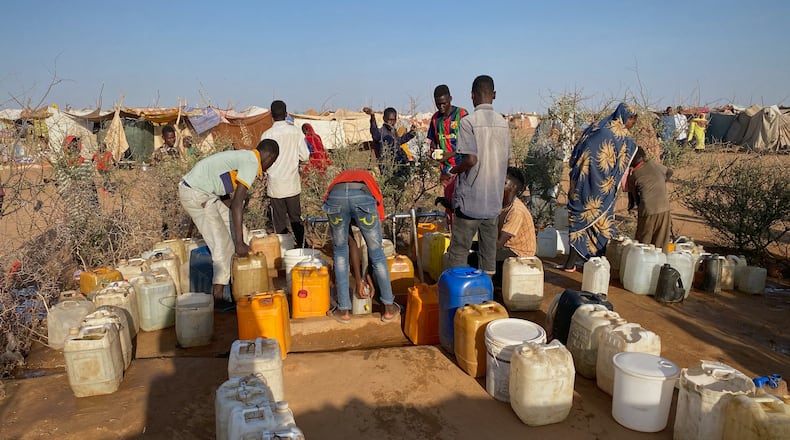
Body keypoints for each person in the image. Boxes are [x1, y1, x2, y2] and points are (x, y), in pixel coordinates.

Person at [179, 139, 279, 303]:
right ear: (270, 157)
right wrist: (239, 243)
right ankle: (218, 298)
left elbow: (222, 181)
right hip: (197, 194)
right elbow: (238, 203)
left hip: (208, 194)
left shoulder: (245, 157)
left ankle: (237, 284)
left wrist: (239, 234)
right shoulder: (252, 162)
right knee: (222, 247)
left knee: (241, 232)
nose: (270, 166)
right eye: (272, 162)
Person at [560, 103, 638, 272]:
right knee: (602, 225)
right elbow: (626, 159)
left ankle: (571, 263)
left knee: (579, 222)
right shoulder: (621, 135)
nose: (632, 125)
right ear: (626, 117)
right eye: (632, 120)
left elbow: (576, 153)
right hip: (601, 189)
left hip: (579, 183)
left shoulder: (596, 126)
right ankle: (598, 264)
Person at [445, 75, 511, 276]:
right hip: (492, 203)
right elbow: (506, 162)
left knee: (459, 252)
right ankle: (486, 300)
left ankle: (458, 301)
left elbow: (471, 160)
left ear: (472, 96)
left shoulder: (468, 122)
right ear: (494, 95)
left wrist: (453, 171)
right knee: (487, 258)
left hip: (470, 203)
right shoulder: (503, 123)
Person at [322, 169, 400, 323]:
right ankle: (389, 308)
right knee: (377, 253)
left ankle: (343, 310)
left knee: (340, 252)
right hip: (361, 197)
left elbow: (350, 243)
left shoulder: (339, 181)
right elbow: (377, 219)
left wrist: (364, 277)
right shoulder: (369, 182)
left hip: (335, 198)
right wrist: (360, 279)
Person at [261, 100, 310, 247]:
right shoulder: (295, 131)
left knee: (279, 222)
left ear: (271, 115)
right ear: (286, 113)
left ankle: (284, 252)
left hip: (275, 186)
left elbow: (262, 161)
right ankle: (303, 248)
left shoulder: (267, 135)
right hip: (292, 185)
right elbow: (305, 156)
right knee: (296, 219)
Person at [627, 147, 673, 250]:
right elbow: (669, 172)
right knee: (661, 244)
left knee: (643, 244)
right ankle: (661, 264)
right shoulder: (653, 164)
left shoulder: (634, 175)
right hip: (664, 207)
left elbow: (635, 199)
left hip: (647, 210)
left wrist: (634, 207)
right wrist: (661, 182)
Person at [363, 106, 416, 178]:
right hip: (388, 168)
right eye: (390, 120)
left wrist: (411, 133)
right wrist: (372, 117)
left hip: (398, 166)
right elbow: (374, 132)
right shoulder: (381, 133)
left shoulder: (393, 132)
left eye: (393, 120)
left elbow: (399, 141)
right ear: (384, 119)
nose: (392, 122)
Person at [427, 85, 469, 175]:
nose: (441, 107)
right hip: (445, 170)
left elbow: (470, 144)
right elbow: (434, 140)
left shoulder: (461, 114)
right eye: (438, 104)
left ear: (450, 99)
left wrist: (451, 154)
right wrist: (432, 152)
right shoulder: (435, 119)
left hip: (462, 168)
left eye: (444, 103)